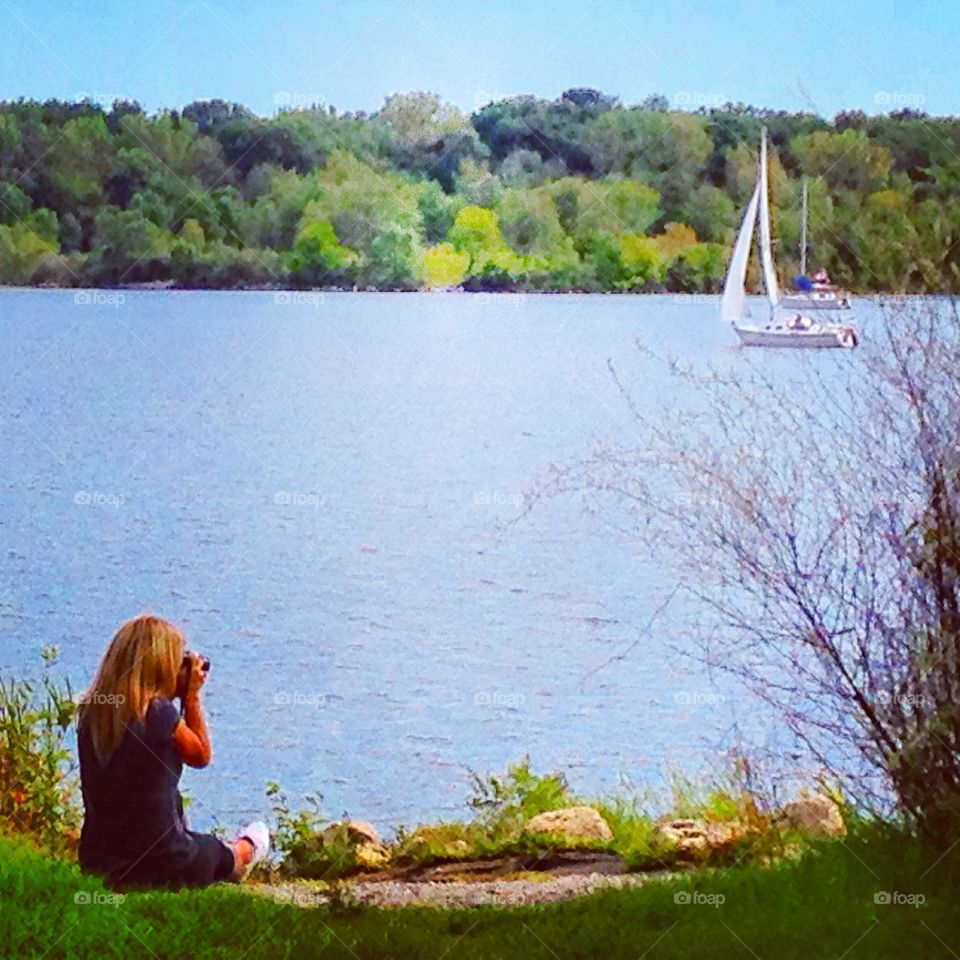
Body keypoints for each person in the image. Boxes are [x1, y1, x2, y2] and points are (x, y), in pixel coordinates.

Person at [76, 614, 269, 889]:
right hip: (164, 862)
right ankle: (246, 850)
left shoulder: (91, 712)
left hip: (100, 862)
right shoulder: (158, 713)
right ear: (160, 666)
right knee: (214, 850)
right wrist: (191, 697)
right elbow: (201, 755)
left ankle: (225, 852)